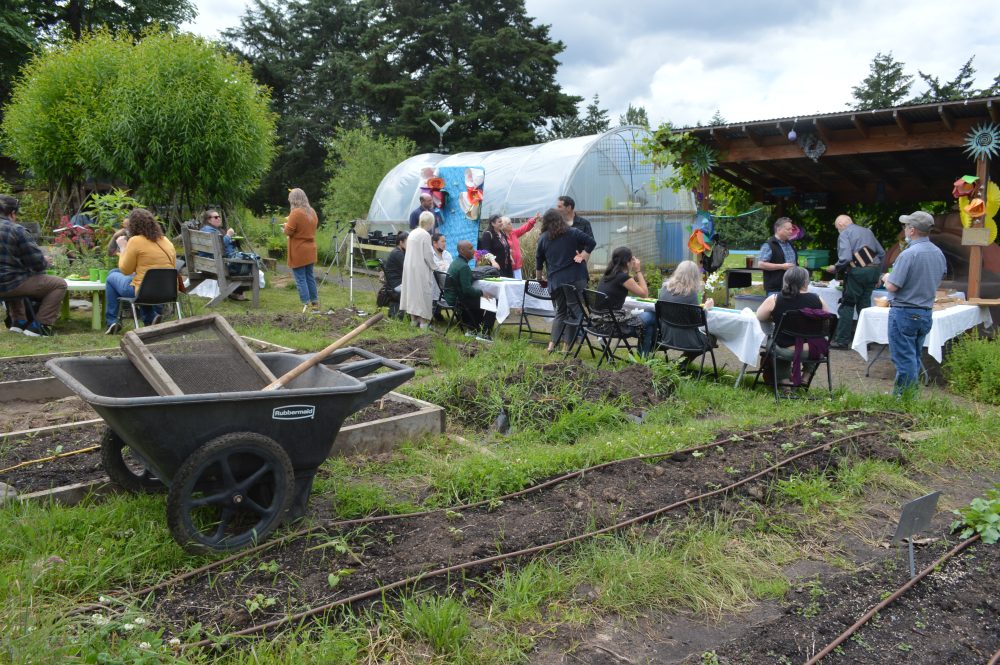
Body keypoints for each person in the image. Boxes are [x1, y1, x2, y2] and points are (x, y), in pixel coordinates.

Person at [881, 211, 947, 397]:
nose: (904, 229)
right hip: (925, 311)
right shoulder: (938, 253)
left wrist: (886, 277)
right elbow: (937, 280)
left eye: (905, 226)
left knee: (904, 359)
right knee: (913, 357)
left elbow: (893, 286)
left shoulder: (908, 254)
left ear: (912, 230)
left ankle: (906, 399)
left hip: (904, 311)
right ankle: (904, 395)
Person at [0, 194, 67, 337]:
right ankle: (40, 325)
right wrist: (45, 261)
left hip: (8, 282)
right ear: (12, 213)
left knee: (16, 274)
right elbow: (37, 264)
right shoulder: (17, 230)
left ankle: (19, 322)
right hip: (9, 284)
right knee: (58, 284)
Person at [756, 266, 831, 386]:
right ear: (806, 282)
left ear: (786, 281)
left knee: (774, 341)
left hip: (787, 351)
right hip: (813, 351)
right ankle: (806, 376)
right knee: (815, 339)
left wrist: (775, 316)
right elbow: (827, 319)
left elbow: (760, 316)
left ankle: (785, 381)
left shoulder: (775, 299)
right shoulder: (818, 299)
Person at [104, 208, 176, 333]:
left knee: (111, 278)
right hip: (168, 290)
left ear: (133, 226)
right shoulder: (166, 241)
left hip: (143, 291)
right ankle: (150, 317)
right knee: (115, 272)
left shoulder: (135, 241)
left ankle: (112, 321)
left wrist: (123, 248)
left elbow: (125, 270)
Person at [535, 208, 596, 353]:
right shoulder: (573, 232)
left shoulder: (543, 238)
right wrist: (583, 254)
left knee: (560, 312)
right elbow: (591, 242)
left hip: (556, 280)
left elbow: (539, 260)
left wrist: (538, 278)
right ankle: (566, 347)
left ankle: (551, 346)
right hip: (575, 278)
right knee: (574, 311)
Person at [824, 214, 885, 348]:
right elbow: (881, 253)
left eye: (837, 228)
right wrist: (879, 275)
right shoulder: (867, 231)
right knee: (864, 305)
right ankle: (865, 341)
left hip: (857, 272)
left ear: (840, 225)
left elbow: (845, 258)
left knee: (848, 304)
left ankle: (842, 340)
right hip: (873, 271)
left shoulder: (845, 233)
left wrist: (835, 268)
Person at [594, 247, 656, 356]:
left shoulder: (607, 275)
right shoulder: (622, 277)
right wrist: (638, 270)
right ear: (627, 262)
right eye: (632, 260)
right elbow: (644, 294)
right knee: (651, 316)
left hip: (599, 322)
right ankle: (643, 358)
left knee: (648, 325)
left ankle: (643, 359)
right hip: (614, 326)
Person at [657, 259, 716, 366]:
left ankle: (679, 364)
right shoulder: (691, 294)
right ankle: (681, 364)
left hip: (666, 336)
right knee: (712, 339)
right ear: (694, 276)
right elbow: (698, 322)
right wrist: (706, 308)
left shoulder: (664, 289)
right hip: (688, 340)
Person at [445, 240, 496, 340]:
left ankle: (473, 330)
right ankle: (485, 335)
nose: (474, 251)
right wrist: (482, 293)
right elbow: (467, 290)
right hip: (458, 300)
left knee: (479, 299)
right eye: (470, 248)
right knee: (492, 301)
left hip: (451, 297)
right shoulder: (464, 266)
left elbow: (465, 282)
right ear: (462, 250)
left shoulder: (456, 262)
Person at [200, 209, 249, 301]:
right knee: (247, 264)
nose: (218, 218)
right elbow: (220, 246)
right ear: (208, 220)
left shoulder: (209, 230)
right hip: (218, 264)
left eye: (219, 216)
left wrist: (232, 241)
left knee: (242, 261)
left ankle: (234, 292)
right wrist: (228, 235)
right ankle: (236, 292)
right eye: (215, 217)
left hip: (209, 262)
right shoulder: (210, 231)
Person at [284, 188, 320, 313]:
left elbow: (288, 231)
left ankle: (305, 304)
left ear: (293, 200)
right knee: (310, 277)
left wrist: (285, 226)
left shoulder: (295, 213)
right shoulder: (312, 212)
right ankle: (315, 304)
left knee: (300, 279)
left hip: (299, 250)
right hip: (310, 249)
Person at [400, 211, 437, 328]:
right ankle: (423, 323)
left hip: (410, 267)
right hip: (420, 268)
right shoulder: (425, 235)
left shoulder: (412, 233)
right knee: (422, 294)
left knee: (413, 294)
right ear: (431, 223)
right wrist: (435, 267)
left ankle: (413, 320)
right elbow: (428, 255)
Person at [758, 217, 798, 296]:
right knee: (777, 308)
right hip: (776, 288)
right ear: (779, 229)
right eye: (788, 229)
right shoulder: (769, 244)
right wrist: (782, 266)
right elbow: (761, 264)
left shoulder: (790, 244)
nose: (791, 232)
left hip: (792, 286)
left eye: (791, 229)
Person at [501, 214, 537, 279]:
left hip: (517, 266)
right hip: (508, 268)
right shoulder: (501, 237)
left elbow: (524, 228)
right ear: (504, 226)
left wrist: (533, 219)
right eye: (509, 223)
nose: (511, 224)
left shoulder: (513, 233)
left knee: (518, 286)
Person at [383, 232, 406, 319]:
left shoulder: (398, 252)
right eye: (408, 242)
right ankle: (416, 318)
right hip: (396, 285)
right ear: (401, 242)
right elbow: (408, 269)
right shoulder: (398, 254)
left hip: (393, 283)